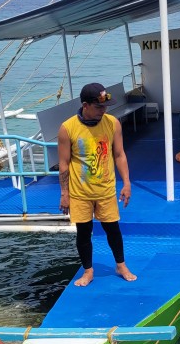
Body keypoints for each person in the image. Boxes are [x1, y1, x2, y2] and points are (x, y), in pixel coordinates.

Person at [58, 82, 137, 286]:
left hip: (106, 189)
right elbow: (64, 163)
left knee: (113, 229)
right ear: (85, 105)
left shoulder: (112, 123)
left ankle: (121, 264)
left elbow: (119, 154)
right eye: (99, 107)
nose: (104, 110)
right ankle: (88, 271)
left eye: (106, 106)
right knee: (83, 233)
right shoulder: (68, 129)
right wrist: (64, 193)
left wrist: (127, 183)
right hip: (80, 192)